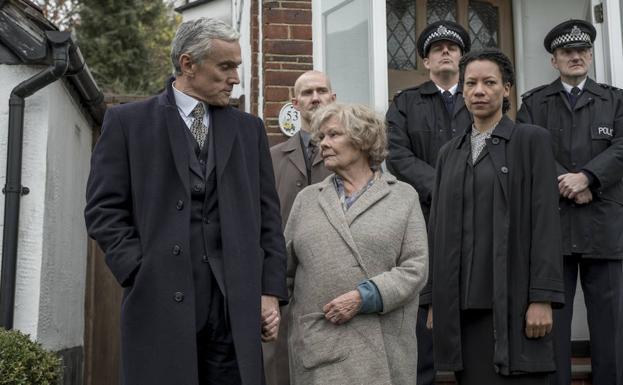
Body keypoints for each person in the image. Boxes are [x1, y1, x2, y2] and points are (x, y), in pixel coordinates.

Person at [84, 18, 286, 385]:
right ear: (188, 64)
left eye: (237, 67)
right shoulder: (127, 123)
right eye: (226, 67)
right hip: (159, 300)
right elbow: (103, 210)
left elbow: (269, 218)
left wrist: (269, 291)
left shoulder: (249, 130)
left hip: (233, 306)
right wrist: (138, 269)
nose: (235, 78)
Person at [425, 49, 564, 384]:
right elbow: (437, 229)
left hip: (515, 301)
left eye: (489, 82)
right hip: (462, 305)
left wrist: (542, 297)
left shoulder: (531, 141)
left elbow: (545, 222)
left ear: (507, 89)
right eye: (470, 83)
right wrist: (433, 299)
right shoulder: (450, 153)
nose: (478, 91)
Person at [285, 103, 428, 385]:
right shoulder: (308, 199)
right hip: (321, 345)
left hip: (383, 347)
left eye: (333, 135)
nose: (322, 144)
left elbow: (416, 268)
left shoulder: (403, 196)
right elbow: (283, 269)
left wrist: (364, 296)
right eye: (321, 137)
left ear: (362, 139)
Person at [516, 19, 623, 385]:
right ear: (554, 60)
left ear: (591, 55)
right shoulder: (533, 104)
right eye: (566, 52)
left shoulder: (616, 100)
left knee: (611, 329)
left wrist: (589, 177)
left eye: (581, 51)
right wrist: (570, 182)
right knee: (553, 327)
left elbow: (622, 148)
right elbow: (526, 152)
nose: (575, 57)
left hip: (604, 227)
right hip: (553, 230)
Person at [386, 20, 472, 385]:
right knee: (423, 301)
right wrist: (441, 187)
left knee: (473, 294)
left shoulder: (480, 96)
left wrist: (467, 187)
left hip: (475, 214)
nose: (446, 52)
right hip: (423, 215)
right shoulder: (406, 103)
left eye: (452, 47)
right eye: (437, 49)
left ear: (462, 57)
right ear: (426, 61)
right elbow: (397, 155)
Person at [265, 72, 335, 385]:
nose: (315, 97)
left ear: (333, 98)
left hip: (333, 276)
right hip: (281, 280)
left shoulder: (353, 155)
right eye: (307, 93)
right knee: (279, 364)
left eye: (322, 91)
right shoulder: (271, 158)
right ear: (295, 103)